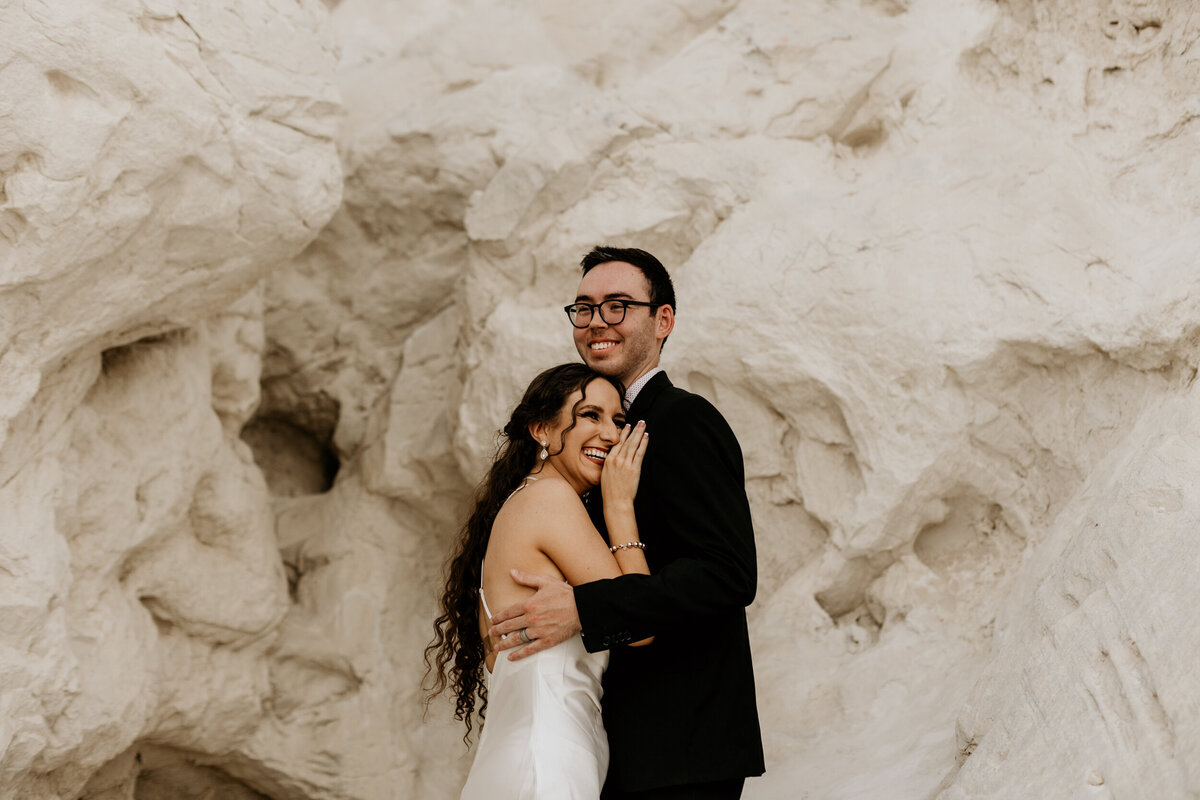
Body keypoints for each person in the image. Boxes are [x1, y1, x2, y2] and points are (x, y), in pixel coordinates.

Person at [490, 246, 765, 799]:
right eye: (585, 308)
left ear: (662, 320)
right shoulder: (589, 448)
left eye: (618, 306)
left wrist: (584, 609)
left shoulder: (682, 419)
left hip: (679, 744)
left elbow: (728, 573)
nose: (597, 322)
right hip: (616, 743)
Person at [425, 362, 653, 799]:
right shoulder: (549, 499)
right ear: (542, 430)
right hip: (546, 763)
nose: (610, 434)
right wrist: (620, 506)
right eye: (590, 415)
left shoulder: (525, 501)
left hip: (526, 757)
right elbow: (641, 623)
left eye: (618, 421)